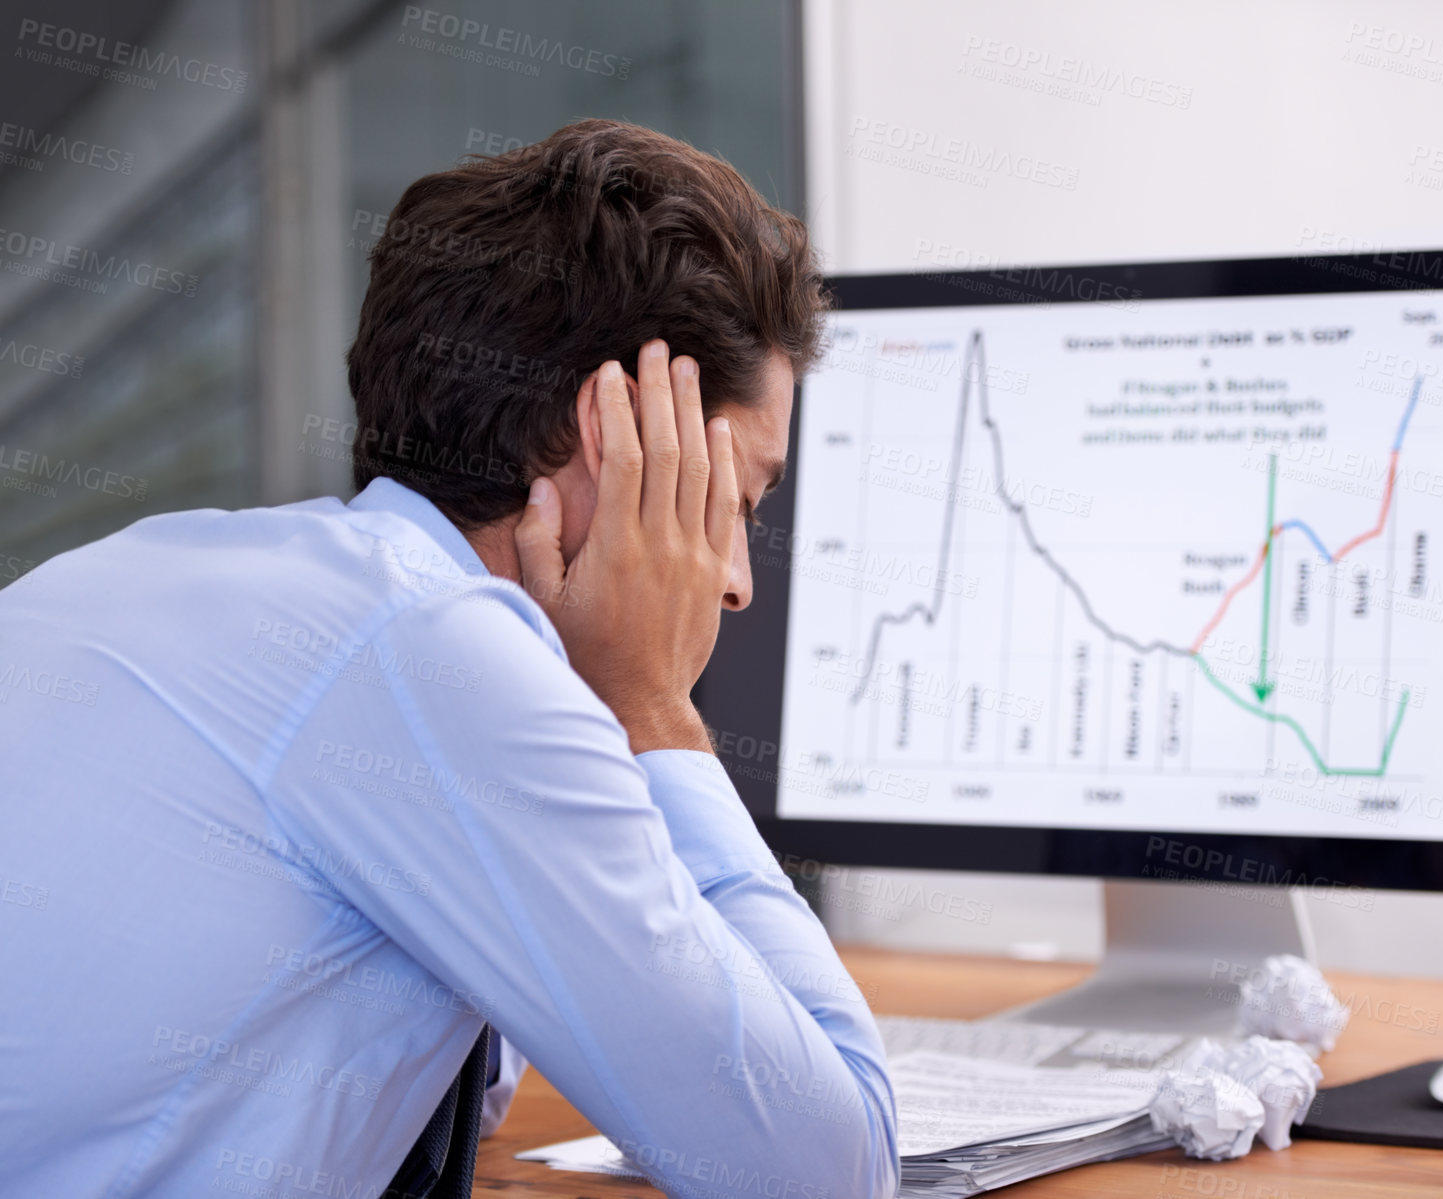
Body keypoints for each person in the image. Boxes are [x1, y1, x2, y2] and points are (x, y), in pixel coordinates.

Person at [0, 119, 899, 1199]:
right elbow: (829, 1171)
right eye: (736, 499)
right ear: (619, 448)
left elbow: (455, 1080)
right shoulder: (439, 654)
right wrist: (649, 705)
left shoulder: (150, 567)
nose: (739, 578)